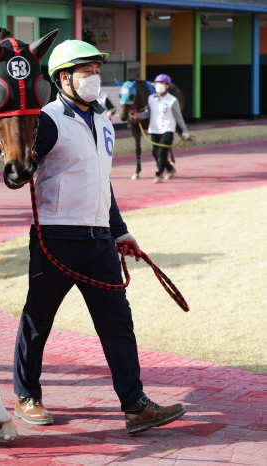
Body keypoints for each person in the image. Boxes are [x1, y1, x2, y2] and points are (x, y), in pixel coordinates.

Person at [12, 40, 187, 435]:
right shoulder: (48, 119)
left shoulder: (104, 120)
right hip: (54, 238)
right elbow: (19, 167)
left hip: (99, 242)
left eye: (96, 71)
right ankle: (27, 395)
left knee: (118, 323)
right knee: (38, 320)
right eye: (86, 71)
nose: (95, 78)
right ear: (63, 79)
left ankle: (135, 405)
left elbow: (101, 182)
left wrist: (119, 230)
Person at [132, 74, 189, 183]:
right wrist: (138, 116)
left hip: (168, 128)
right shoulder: (151, 98)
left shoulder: (172, 100)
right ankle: (170, 168)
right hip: (154, 129)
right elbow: (147, 113)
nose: (159, 86)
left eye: (162, 84)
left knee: (162, 152)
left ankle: (159, 174)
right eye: (157, 83)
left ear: (167, 86)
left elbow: (178, 116)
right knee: (155, 153)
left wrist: (184, 130)